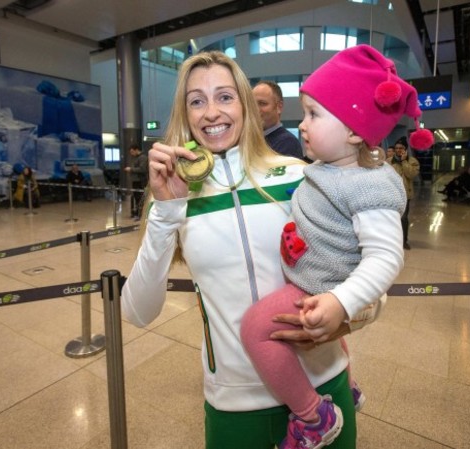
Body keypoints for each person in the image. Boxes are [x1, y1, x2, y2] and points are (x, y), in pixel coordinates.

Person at [121, 51, 351, 449]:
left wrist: (347, 318)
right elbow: (137, 312)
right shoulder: (176, 193)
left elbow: (361, 269)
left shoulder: (299, 175)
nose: (212, 112)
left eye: (224, 97)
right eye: (197, 100)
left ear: (245, 104)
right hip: (234, 405)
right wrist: (165, 212)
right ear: (185, 113)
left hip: (325, 386)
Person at [240, 45, 432, 449]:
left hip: (320, 285)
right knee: (328, 341)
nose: (302, 124)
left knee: (256, 328)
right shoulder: (328, 167)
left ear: (354, 130)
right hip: (311, 274)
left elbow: (384, 257)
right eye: (304, 112)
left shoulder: (370, 185)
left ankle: (313, 417)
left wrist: (342, 301)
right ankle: (349, 385)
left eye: (314, 114)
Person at [253, 80, 304, 160]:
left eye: (262, 103)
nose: (255, 109)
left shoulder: (287, 143)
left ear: (279, 107)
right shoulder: (251, 141)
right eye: (252, 104)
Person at [389, 137, 420, 249]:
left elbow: (411, 174)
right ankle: (392, 241)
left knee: (403, 218)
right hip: (391, 194)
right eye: (396, 148)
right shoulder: (389, 161)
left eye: (401, 148)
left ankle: (403, 241)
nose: (398, 150)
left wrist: (404, 161)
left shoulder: (413, 162)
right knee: (391, 218)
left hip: (405, 194)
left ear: (405, 149)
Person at [124, 144, 148, 220]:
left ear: (136, 150)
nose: (131, 154)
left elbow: (142, 169)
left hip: (140, 181)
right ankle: (137, 213)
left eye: (132, 151)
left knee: (140, 198)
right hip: (136, 181)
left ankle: (140, 215)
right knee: (136, 198)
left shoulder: (143, 157)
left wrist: (131, 169)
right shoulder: (137, 158)